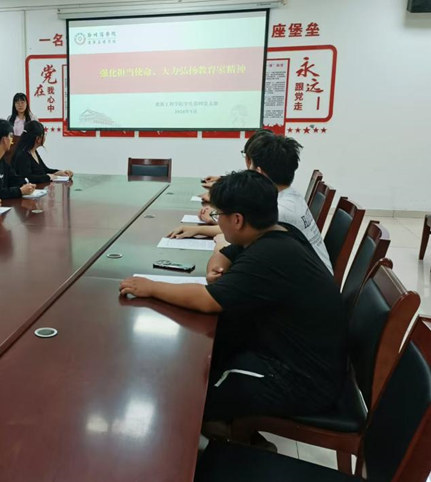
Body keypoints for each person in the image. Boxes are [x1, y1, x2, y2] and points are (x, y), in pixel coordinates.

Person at [120, 171, 346, 430]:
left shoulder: (270, 254)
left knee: (189, 396)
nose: (217, 221)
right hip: (290, 352)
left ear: (237, 220)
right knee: (206, 355)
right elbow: (226, 254)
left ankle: (217, 441)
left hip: (301, 380)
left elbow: (208, 300)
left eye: (219, 215)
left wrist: (151, 287)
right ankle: (228, 430)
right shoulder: (278, 232)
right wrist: (215, 269)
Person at [169, 134, 333, 273]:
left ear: (259, 173)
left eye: (250, 166)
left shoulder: (279, 210)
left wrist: (205, 232)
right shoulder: (290, 195)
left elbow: (241, 235)